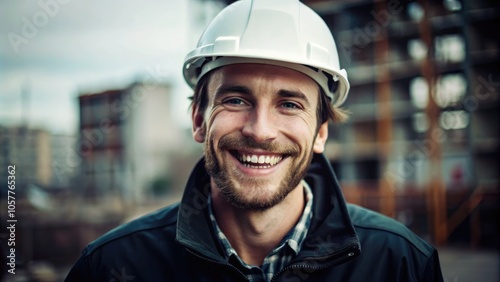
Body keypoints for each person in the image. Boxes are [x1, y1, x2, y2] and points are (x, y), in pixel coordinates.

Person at [65, 0, 444, 281]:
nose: (260, 130)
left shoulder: (401, 264)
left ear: (321, 132)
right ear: (198, 119)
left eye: (290, 104)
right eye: (235, 100)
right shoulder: (110, 267)